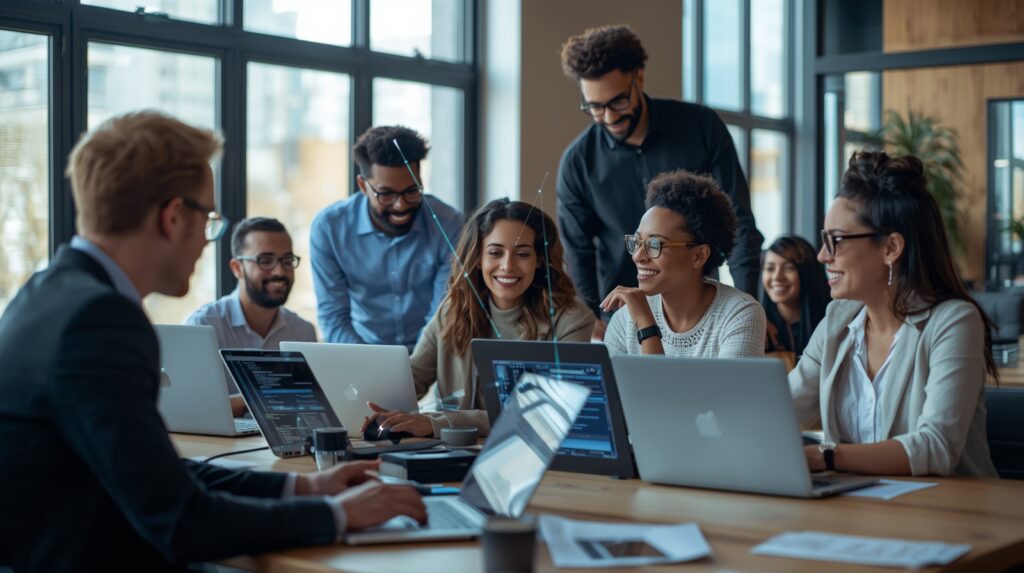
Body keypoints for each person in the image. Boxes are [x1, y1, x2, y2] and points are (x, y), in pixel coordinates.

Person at [0, 111, 425, 571]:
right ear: (172, 217)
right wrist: (337, 515)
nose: (208, 243)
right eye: (209, 219)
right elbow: (181, 520)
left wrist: (304, 486)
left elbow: (157, 476)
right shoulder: (100, 322)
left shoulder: (46, 295)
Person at [790, 151, 998, 477]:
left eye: (836, 240)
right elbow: (782, 409)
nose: (821, 256)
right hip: (857, 502)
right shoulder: (837, 321)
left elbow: (936, 446)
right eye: (824, 240)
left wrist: (825, 457)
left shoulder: (954, 322)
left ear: (891, 248)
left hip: (947, 506)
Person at [557, 25, 763, 339]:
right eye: (595, 107)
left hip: (700, 314)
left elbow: (739, 223)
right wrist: (591, 315)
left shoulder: (701, 128)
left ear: (638, 77)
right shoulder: (578, 162)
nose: (609, 118)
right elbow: (578, 250)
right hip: (620, 320)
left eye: (618, 102)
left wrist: (747, 306)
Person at [361, 198, 595, 437]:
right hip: (452, 449)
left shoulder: (571, 320)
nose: (507, 266)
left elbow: (552, 411)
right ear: (478, 258)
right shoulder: (452, 310)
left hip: (529, 450)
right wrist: (373, 406)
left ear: (540, 260)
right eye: (495, 253)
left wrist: (437, 423)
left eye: (523, 254)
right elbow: (413, 378)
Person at [311, 125, 464, 351]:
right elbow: (334, 317)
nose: (400, 205)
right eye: (386, 194)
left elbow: (442, 313)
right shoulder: (329, 229)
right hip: (361, 351)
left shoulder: (450, 224)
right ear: (363, 186)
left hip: (431, 351)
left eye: (411, 191)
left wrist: (415, 366)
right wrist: (374, 364)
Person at [601, 169, 765, 357]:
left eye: (655, 244)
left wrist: (647, 327)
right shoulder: (626, 318)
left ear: (698, 256)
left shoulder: (739, 314)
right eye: (637, 242)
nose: (638, 256)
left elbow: (653, 377)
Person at [187, 217, 317, 415]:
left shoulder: (303, 331)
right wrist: (260, 397)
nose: (280, 271)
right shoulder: (203, 326)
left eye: (287, 260)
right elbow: (193, 407)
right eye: (265, 261)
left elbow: (310, 405)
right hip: (224, 436)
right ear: (237, 268)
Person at [760, 235, 831, 358]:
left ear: (807, 273)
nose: (777, 277)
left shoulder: (830, 321)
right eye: (770, 269)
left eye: (789, 268)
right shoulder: (759, 324)